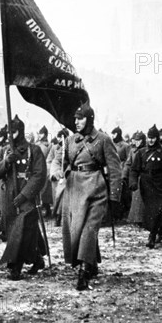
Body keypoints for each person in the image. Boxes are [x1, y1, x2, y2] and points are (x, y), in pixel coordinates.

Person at [61, 103, 121, 291]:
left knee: (89, 229)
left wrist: (114, 196)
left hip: (96, 189)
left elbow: (115, 168)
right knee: (75, 230)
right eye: (75, 118)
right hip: (75, 190)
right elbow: (65, 164)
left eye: (80, 118)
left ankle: (84, 270)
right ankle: (91, 263)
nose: (76, 122)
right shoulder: (71, 141)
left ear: (90, 119)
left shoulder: (103, 139)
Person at [0, 116, 47, 280]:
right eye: (8, 132)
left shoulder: (33, 150)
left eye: (13, 132)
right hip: (9, 196)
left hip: (26, 196)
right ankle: (37, 259)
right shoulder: (6, 150)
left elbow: (39, 175)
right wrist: (6, 162)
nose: (10, 135)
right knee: (18, 232)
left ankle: (16, 266)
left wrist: (24, 195)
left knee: (22, 229)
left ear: (20, 132)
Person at [130, 125, 162, 248]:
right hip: (146, 184)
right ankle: (158, 231)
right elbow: (134, 169)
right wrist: (133, 182)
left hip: (161, 183)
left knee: (159, 208)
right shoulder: (141, 153)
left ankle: (152, 236)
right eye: (149, 138)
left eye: (153, 138)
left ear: (157, 138)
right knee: (152, 210)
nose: (151, 140)